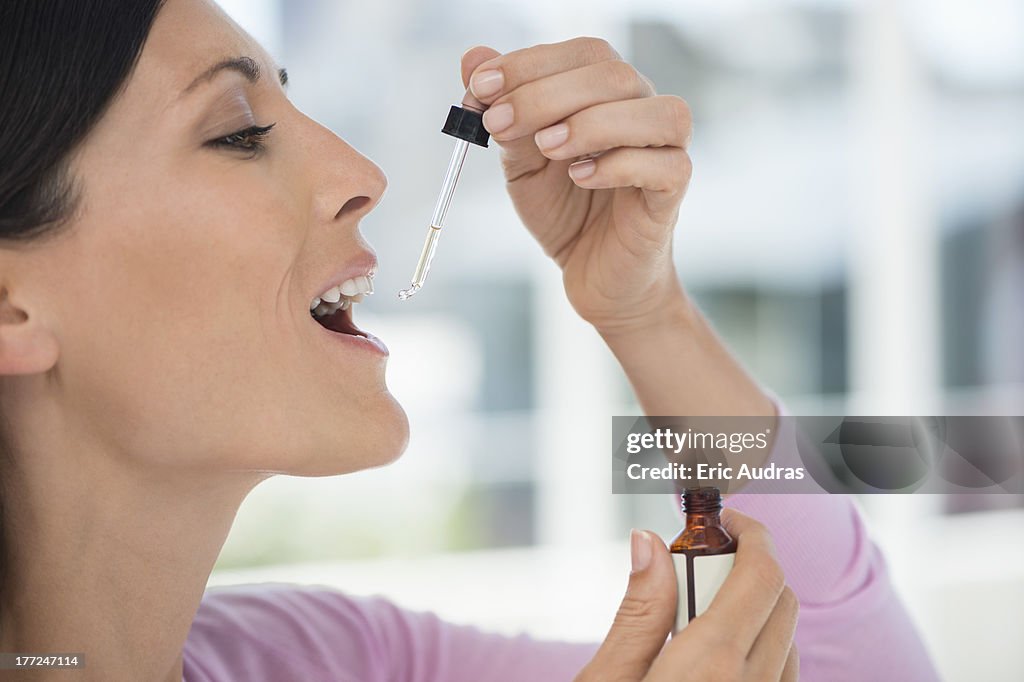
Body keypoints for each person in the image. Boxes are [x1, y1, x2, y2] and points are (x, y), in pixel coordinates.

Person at [0, 1, 940, 680]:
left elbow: (843, 664)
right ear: (11, 307)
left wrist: (645, 311)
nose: (362, 173)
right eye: (240, 134)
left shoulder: (324, 660)